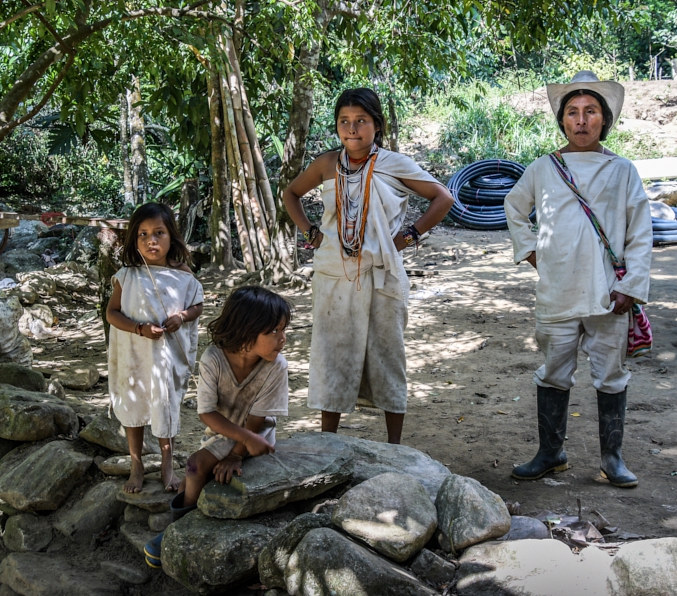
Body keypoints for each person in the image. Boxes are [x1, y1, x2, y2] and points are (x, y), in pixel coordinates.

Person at [504, 70, 652, 488]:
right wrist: (531, 252)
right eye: (572, 112)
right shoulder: (544, 168)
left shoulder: (622, 171)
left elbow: (641, 233)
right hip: (557, 292)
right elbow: (515, 206)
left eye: (590, 112)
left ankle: (613, 459)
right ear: (562, 120)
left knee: (611, 375)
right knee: (553, 371)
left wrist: (629, 286)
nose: (581, 120)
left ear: (604, 119)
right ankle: (550, 454)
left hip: (609, 296)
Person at [282, 88, 454, 444]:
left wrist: (408, 236)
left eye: (361, 120)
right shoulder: (327, 164)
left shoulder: (394, 164)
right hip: (333, 273)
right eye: (344, 121)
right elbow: (290, 194)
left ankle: (395, 447)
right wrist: (311, 232)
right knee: (333, 353)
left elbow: (443, 198)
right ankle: (327, 442)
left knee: (387, 354)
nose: (352, 128)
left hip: (382, 275)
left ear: (377, 124)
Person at [144, 285, 290, 569]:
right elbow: (208, 414)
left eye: (284, 330)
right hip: (224, 431)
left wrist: (237, 453)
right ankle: (182, 529)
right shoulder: (213, 358)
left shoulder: (276, 366)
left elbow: (256, 422)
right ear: (246, 331)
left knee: (196, 466)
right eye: (273, 332)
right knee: (191, 481)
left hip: (256, 433)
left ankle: (175, 534)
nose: (282, 339)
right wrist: (239, 442)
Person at [106, 202, 204, 494]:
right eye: (143, 234)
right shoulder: (128, 275)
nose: (151, 240)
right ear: (134, 240)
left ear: (171, 236)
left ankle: (167, 464)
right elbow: (112, 313)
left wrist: (181, 317)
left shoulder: (183, 273)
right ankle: (136, 464)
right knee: (134, 404)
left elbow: (197, 305)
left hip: (165, 357)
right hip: (133, 357)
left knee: (166, 405)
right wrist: (139, 329)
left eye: (158, 232)